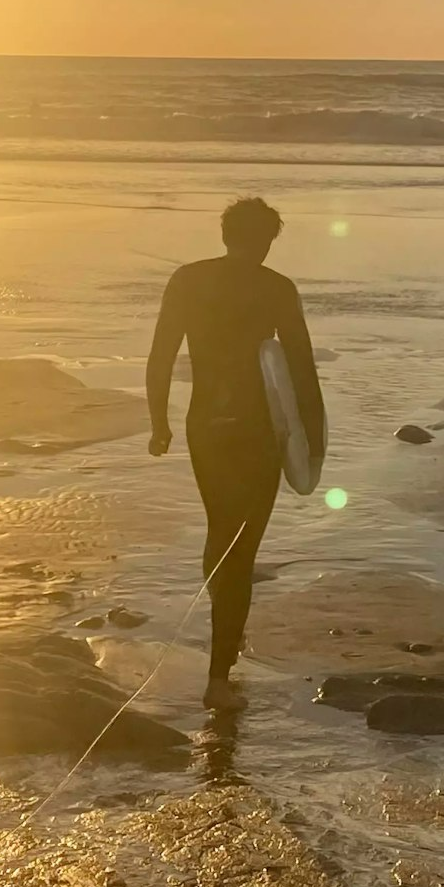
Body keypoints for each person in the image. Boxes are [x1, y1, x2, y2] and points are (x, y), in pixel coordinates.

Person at [146, 196, 325, 708]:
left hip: (205, 425)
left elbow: (161, 356)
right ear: (268, 240)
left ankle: (225, 623)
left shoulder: (187, 279)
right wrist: (310, 445)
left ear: (225, 235)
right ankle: (219, 675)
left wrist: (158, 423)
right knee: (241, 549)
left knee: (221, 530)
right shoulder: (276, 288)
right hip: (258, 431)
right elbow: (301, 368)